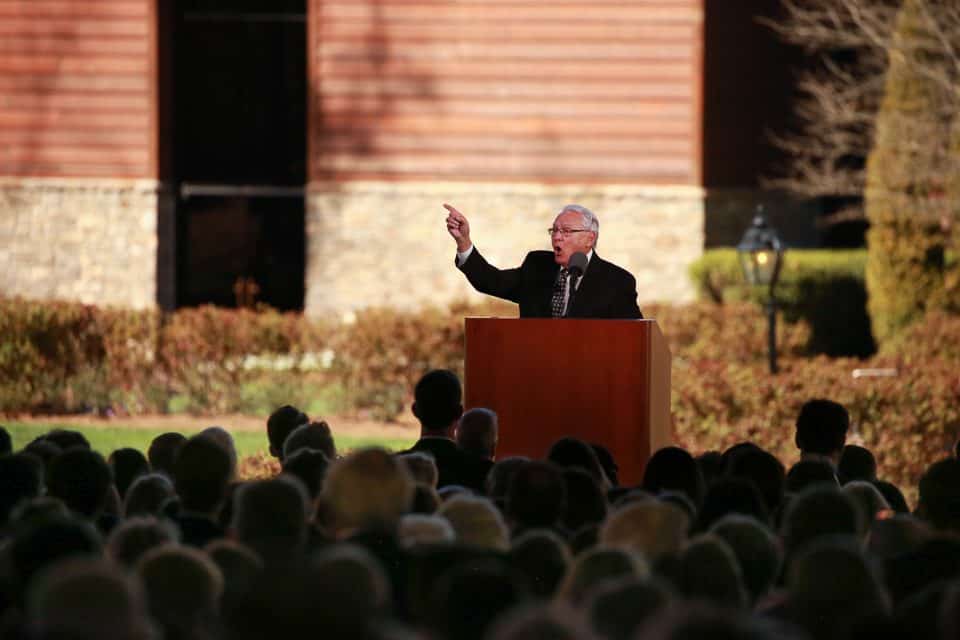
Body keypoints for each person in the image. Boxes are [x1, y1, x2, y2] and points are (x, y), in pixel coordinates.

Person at [444, 203, 642, 319]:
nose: (556, 237)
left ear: (590, 238)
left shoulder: (617, 282)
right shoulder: (537, 266)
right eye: (554, 230)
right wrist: (464, 241)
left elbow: (637, 338)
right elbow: (490, 280)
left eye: (566, 231)